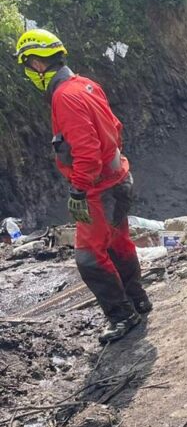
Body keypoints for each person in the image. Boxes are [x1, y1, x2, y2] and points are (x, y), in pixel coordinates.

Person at [15, 28, 150, 343]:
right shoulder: (86, 85)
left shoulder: (65, 97)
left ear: (36, 63)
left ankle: (122, 316)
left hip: (98, 190)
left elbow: (86, 152)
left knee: (89, 257)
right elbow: (115, 129)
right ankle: (138, 300)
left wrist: (78, 189)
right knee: (118, 243)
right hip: (119, 181)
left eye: (27, 65)